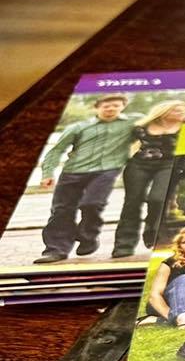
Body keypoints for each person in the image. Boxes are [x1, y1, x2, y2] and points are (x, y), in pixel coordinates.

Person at [34, 94, 137, 263]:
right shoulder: (78, 127)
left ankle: (87, 236)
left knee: (92, 203)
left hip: (107, 170)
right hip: (73, 171)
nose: (111, 109)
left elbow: (160, 122)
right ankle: (55, 250)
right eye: (106, 106)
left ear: (123, 106)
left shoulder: (133, 123)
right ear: (97, 107)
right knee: (61, 210)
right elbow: (56, 150)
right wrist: (47, 174)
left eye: (116, 105)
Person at [112, 99, 185, 259]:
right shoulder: (141, 127)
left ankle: (152, 232)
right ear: (164, 111)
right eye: (176, 110)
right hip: (139, 165)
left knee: (158, 199)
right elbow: (118, 143)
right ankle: (123, 246)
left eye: (183, 110)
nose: (181, 113)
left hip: (169, 165)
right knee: (132, 203)